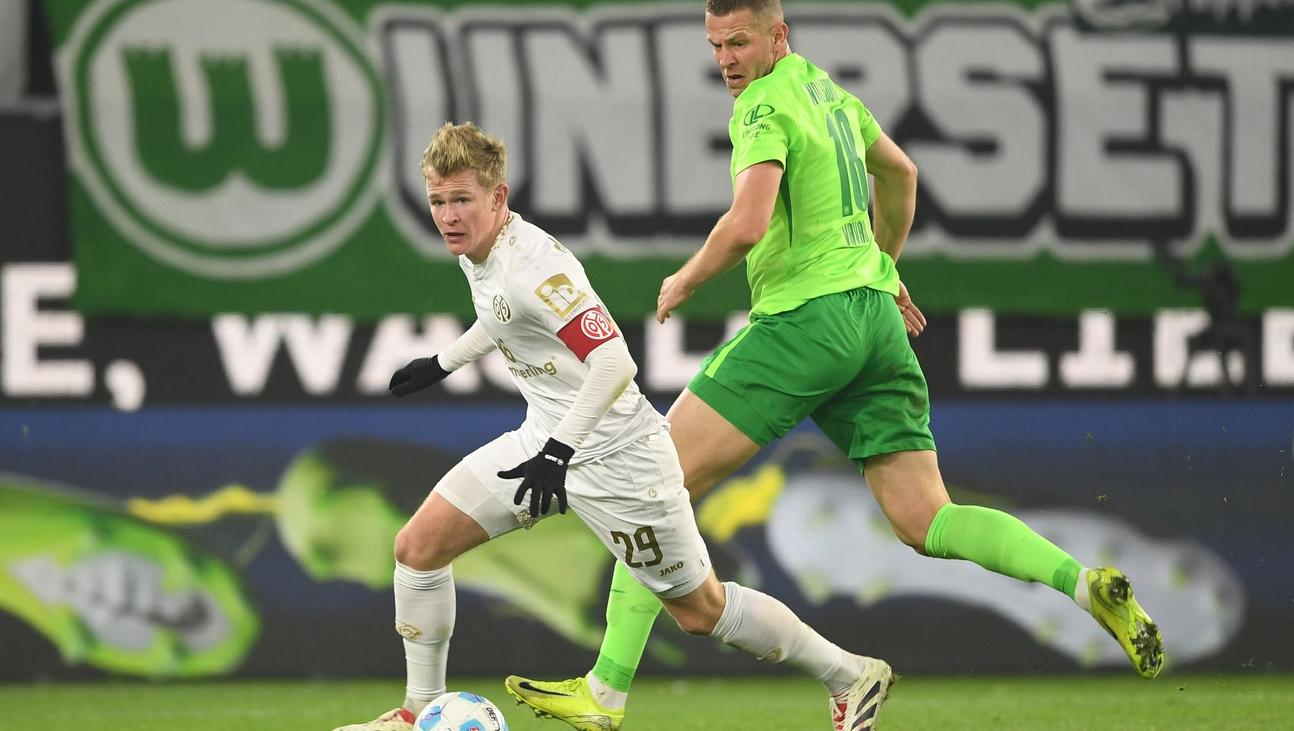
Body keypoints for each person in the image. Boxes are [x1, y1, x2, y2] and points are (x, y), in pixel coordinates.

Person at [506, 1, 1165, 729]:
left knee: (649, 482)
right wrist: (883, 267)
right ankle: (1082, 583)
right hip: (877, 323)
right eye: (716, 45)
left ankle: (605, 692)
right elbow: (902, 174)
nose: (726, 60)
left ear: (778, 35)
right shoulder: (830, 94)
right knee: (927, 519)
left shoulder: (762, 106)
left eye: (739, 42)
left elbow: (748, 223)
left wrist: (686, 278)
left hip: (805, 323)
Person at [333, 121, 896, 731]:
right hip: (543, 441)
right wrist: (443, 363)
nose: (448, 216)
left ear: (498, 197)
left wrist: (559, 451)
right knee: (417, 548)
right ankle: (418, 713)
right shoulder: (482, 253)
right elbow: (501, 316)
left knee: (700, 611)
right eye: (438, 201)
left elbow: (614, 362)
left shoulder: (535, 269)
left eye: (462, 199)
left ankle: (850, 674)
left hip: (620, 458)